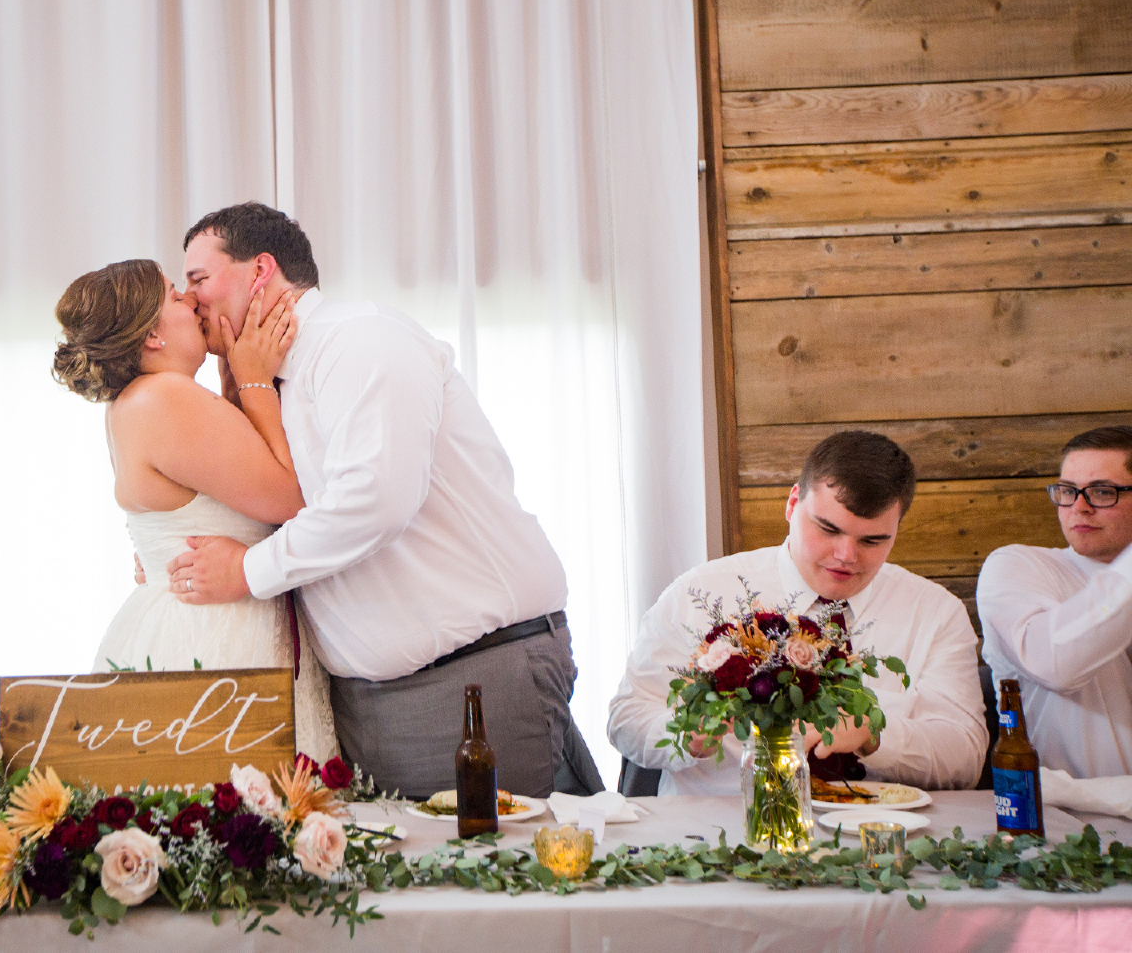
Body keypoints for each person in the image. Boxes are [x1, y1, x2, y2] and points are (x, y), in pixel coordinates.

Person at [167, 202, 602, 798]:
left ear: (260, 270)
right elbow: (283, 506)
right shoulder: (266, 382)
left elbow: (376, 498)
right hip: (363, 703)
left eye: (199, 280)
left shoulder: (359, 341)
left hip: (470, 679)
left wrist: (245, 570)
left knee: (503, 881)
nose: (190, 301)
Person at [52, 258, 338, 761]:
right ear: (152, 337)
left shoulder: (138, 401)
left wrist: (234, 384)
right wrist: (253, 380)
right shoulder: (164, 398)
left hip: (191, 618)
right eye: (172, 295)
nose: (189, 299)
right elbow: (292, 499)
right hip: (215, 636)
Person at [608, 431, 987, 794]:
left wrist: (877, 737)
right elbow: (625, 719)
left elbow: (966, 760)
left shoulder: (937, 613)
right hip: (716, 829)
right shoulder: (698, 594)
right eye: (827, 529)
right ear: (792, 504)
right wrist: (682, 734)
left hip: (877, 834)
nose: (846, 556)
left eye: (872, 540)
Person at [977, 425, 1132, 778]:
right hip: (1065, 818)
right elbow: (1057, 665)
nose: (1079, 507)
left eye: (1102, 492)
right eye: (1068, 491)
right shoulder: (1018, 566)